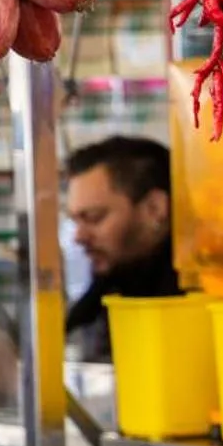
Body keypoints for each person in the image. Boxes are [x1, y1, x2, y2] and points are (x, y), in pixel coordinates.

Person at [65, 136, 179, 362]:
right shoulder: (108, 288)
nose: (78, 236)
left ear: (155, 208)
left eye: (94, 218)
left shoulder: (194, 302)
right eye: (76, 221)